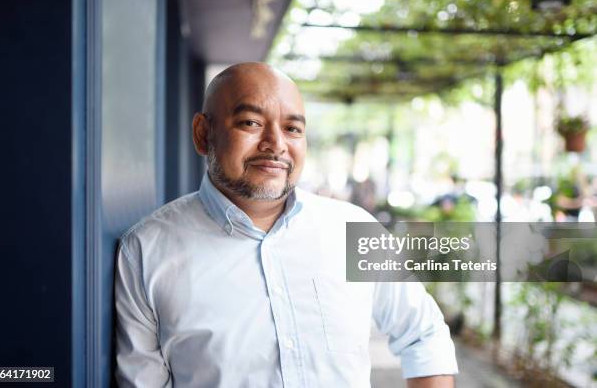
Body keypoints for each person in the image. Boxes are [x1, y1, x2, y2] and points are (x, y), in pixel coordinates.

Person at [115, 62, 458, 387]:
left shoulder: (354, 229)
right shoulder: (146, 250)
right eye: (250, 123)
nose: (276, 144)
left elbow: (424, 334)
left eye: (292, 128)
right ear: (204, 134)